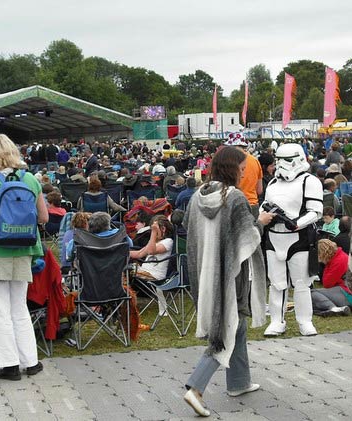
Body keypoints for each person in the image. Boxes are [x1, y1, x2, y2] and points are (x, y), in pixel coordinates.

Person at [182, 146, 274, 417]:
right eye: (242, 169)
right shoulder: (234, 198)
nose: (245, 173)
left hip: (203, 271)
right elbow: (247, 236)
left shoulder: (197, 196)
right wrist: (262, 221)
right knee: (227, 327)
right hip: (230, 274)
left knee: (238, 323)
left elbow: (190, 228)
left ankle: (239, 382)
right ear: (232, 168)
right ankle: (195, 387)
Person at [0, 134, 48, 381]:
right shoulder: (30, 179)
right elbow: (44, 218)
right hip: (24, 249)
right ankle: (31, 360)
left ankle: (8, 364)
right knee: (19, 307)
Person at [262, 143, 323, 337]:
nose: (281, 165)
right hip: (274, 237)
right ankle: (276, 321)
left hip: (298, 238)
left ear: (297, 159)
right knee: (277, 283)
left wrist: (297, 223)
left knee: (301, 283)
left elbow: (315, 211)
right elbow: (265, 206)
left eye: (286, 160)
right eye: (278, 160)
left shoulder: (309, 181)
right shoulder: (272, 183)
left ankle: (304, 321)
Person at [130, 215, 174, 316]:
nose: (152, 231)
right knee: (122, 265)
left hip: (155, 276)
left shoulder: (168, 242)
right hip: (144, 272)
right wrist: (119, 252)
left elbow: (151, 251)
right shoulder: (154, 242)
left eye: (155, 229)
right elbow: (138, 254)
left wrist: (153, 234)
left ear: (163, 229)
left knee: (125, 270)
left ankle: (122, 304)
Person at [311, 239, 351, 317]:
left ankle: (333, 308)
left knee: (312, 293)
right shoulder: (341, 256)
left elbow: (327, 283)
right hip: (346, 291)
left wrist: (327, 264)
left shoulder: (339, 261)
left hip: (347, 294)